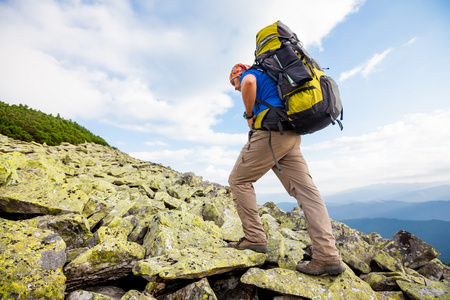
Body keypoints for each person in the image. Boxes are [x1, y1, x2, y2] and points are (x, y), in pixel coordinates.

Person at [227, 63, 345, 276]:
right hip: (289, 135)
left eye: (234, 83)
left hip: (271, 133)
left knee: (238, 180)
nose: (236, 88)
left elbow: (248, 82)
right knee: (308, 193)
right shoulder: (272, 78)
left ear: (238, 74)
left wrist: (249, 116)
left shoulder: (251, 74)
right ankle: (327, 255)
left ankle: (254, 237)